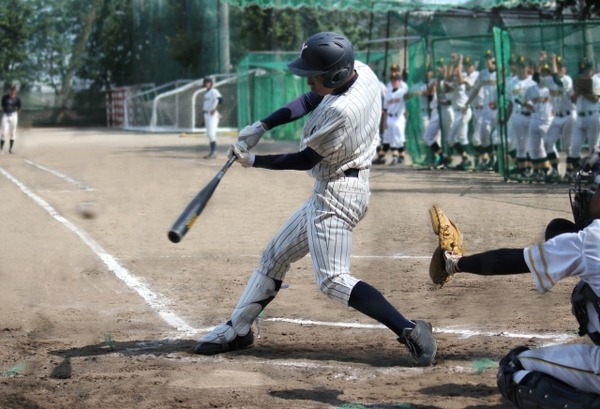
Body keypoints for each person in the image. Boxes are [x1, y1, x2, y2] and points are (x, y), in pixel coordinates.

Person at [193, 32, 437, 366]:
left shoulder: (341, 111)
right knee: (275, 256)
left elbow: (305, 159)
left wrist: (254, 161)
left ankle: (410, 330)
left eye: (313, 75)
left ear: (335, 75)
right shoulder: (360, 71)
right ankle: (239, 328)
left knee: (333, 279)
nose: (308, 80)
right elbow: (310, 99)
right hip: (335, 187)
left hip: (337, 196)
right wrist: (263, 125)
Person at [437, 149, 600, 408]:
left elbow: (508, 261)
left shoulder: (591, 240)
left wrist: (456, 263)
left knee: (515, 367)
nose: (586, 195)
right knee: (586, 289)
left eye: (594, 189)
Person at [565, 56, 600, 180]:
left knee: (593, 149)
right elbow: (573, 100)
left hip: (593, 117)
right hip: (580, 118)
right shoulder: (578, 80)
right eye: (583, 71)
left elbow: (595, 98)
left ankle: (595, 175)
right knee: (574, 147)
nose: (585, 74)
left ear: (592, 69)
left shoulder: (596, 80)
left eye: (587, 71)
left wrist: (584, 91)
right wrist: (578, 91)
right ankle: (574, 173)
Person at [546, 53, 575, 181]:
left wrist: (552, 61)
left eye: (560, 66)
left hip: (570, 116)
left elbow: (557, 80)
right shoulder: (549, 80)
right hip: (557, 117)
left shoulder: (567, 80)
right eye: (557, 65)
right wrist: (542, 61)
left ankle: (569, 172)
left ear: (565, 69)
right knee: (547, 143)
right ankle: (555, 171)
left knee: (569, 146)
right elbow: (536, 79)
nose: (558, 68)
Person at [445, 54, 476, 170]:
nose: (456, 70)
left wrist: (460, 61)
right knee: (451, 139)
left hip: (465, 110)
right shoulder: (454, 80)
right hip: (457, 112)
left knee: (461, 137)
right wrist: (451, 63)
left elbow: (459, 79)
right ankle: (465, 158)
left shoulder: (465, 78)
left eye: (458, 68)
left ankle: (468, 161)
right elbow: (447, 80)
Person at [372, 72, 409, 165]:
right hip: (389, 117)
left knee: (399, 138)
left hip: (399, 117)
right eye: (393, 80)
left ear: (399, 81)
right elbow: (385, 109)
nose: (394, 82)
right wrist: (384, 122)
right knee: (389, 138)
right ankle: (395, 157)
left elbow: (408, 96)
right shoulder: (388, 94)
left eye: (396, 80)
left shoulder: (402, 92)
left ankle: (401, 157)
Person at [202, 76, 223, 159]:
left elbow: (220, 99)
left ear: (211, 83)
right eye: (205, 82)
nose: (206, 83)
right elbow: (205, 106)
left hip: (212, 115)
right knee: (209, 134)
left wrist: (215, 109)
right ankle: (212, 152)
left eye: (208, 82)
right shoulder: (206, 93)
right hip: (206, 115)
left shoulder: (213, 91)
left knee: (211, 133)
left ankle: (213, 152)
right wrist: (203, 118)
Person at [1, 85, 21, 154]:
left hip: (14, 115)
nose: (12, 91)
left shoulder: (17, 99)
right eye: (11, 89)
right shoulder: (4, 98)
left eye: (13, 90)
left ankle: (11, 149)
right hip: (6, 115)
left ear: (15, 91)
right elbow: (3, 106)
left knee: (12, 132)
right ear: (8, 90)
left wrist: (15, 115)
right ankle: (1, 149)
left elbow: (19, 108)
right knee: (3, 132)